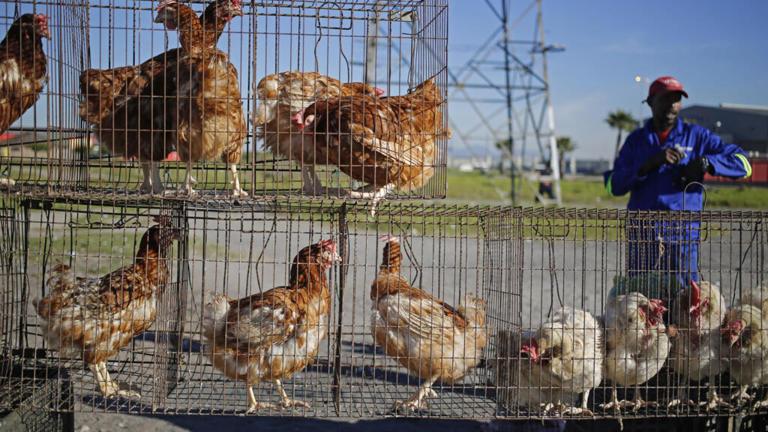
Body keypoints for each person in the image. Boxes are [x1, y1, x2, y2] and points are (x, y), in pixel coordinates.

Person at [604, 76, 752, 286]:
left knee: (683, 303)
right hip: (643, 237)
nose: (672, 106)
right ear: (650, 102)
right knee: (640, 305)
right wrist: (646, 166)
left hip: (682, 237)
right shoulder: (635, 141)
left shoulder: (697, 136)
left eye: (677, 99)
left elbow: (743, 163)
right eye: (666, 99)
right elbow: (613, 185)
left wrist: (707, 163)